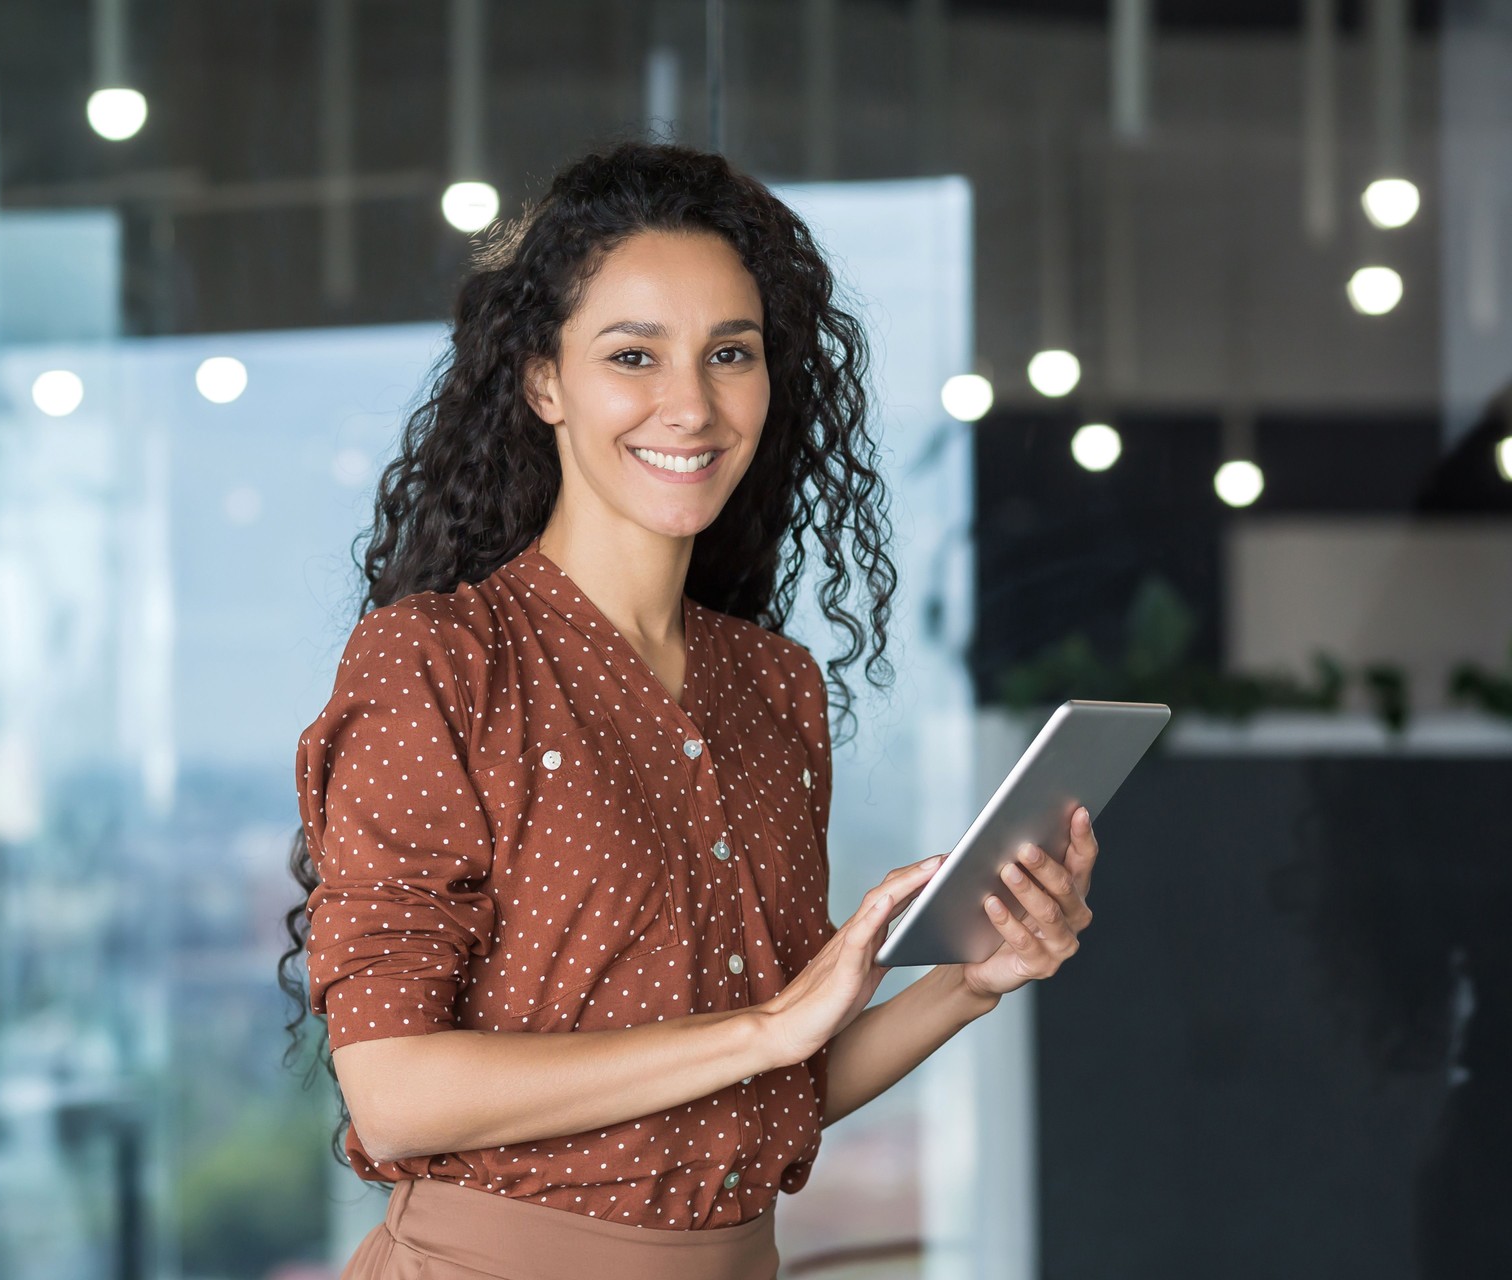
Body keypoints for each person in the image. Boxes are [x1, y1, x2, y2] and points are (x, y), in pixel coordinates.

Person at [277, 139, 1100, 1280]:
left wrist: (968, 982)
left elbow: (772, 1082)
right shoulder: (438, 662)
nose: (692, 404)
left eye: (730, 352)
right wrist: (766, 1027)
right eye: (633, 353)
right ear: (543, 380)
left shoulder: (773, 686)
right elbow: (398, 1091)